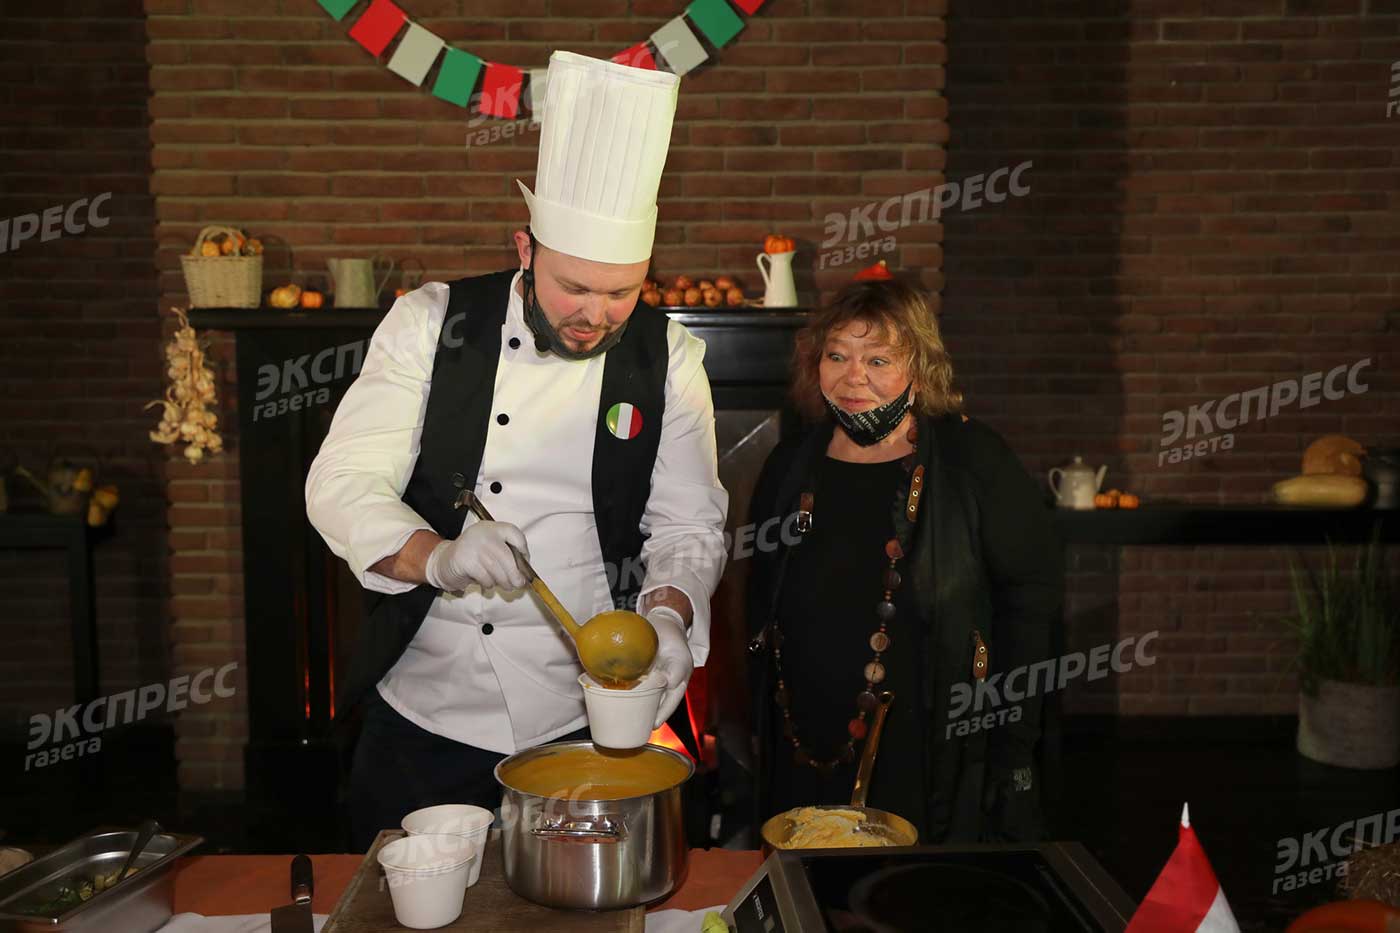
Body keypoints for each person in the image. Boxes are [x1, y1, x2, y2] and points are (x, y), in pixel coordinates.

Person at [306, 51, 728, 851]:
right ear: (526, 250)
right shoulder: (432, 322)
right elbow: (341, 482)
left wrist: (670, 614)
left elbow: (687, 524)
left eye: (622, 292)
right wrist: (438, 557)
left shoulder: (669, 358)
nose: (595, 315)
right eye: (575, 287)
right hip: (425, 713)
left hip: (585, 717)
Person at [745, 277, 1061, 844]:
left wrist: (1014, 743)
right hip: (805, 734)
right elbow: (757, 598)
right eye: (836, 356)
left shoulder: (973, 461)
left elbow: (1030, 605)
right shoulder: (791, 463)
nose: (853, 377)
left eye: (878, 359)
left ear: (920, 368)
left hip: (927, 738)